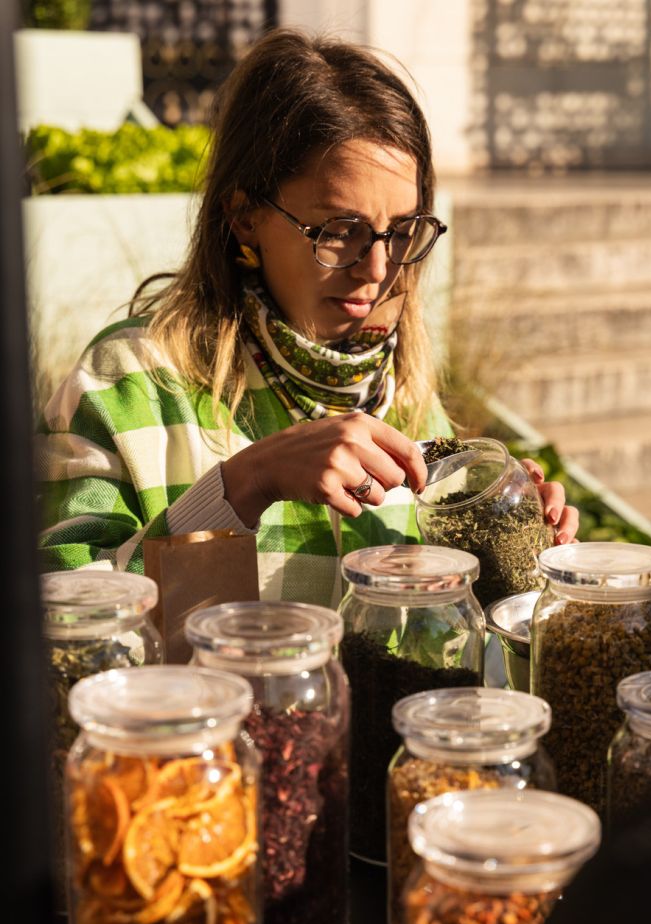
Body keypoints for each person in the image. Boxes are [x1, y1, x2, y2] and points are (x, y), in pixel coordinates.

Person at [37, 29, 577, 607]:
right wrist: (245, 484)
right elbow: (63, 628)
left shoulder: (407, 396)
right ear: (244, 216)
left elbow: (446, 651)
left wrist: (511, 553)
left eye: (401, 232)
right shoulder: (125, 385)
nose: (377, 269)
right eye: (339, 231)